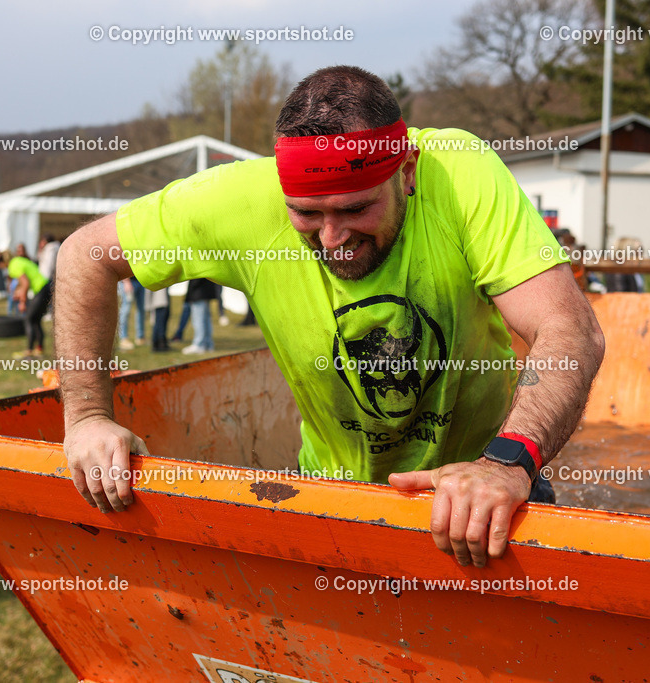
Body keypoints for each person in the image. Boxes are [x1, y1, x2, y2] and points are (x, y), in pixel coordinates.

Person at [55, 66, 605, 569]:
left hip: (483, 488)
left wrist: (506, 463)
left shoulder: (458, 173)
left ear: (407, 172)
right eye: (307, 214)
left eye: (355, 209)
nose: (333, 238)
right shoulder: (238, 202)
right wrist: (85, 418)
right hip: (328, 496)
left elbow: (568, 328)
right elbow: (84, 255)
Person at [0, 251, 52, 357]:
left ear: (2, 263)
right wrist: (19, 292)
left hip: (41, 289)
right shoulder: (18, 260)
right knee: (36, 320)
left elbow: (25, 283)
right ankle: (39, 349)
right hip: (45, 288)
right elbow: (24, 283)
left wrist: (22, 302)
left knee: (28, 319)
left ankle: (29, 351)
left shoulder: (13, 266)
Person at [182, 278, 217, 354]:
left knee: (199, 320)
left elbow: (196, 278)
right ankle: (208, 344)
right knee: (205, 319)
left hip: (198, 292)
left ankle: (199, 344)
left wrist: (190, 291)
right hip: (205, 292)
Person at [116, 277, 146, 350]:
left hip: (140, 280)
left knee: (141, 310)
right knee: (125, 310)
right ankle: (123, 338)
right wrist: (126, 281)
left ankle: (140, 337)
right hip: (128, 282)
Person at [149, 286, 171, 352]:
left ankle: (160, 341)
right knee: (159, 320)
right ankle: (159, 342)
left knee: (162, 319)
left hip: (161, 297)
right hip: (159, 298)